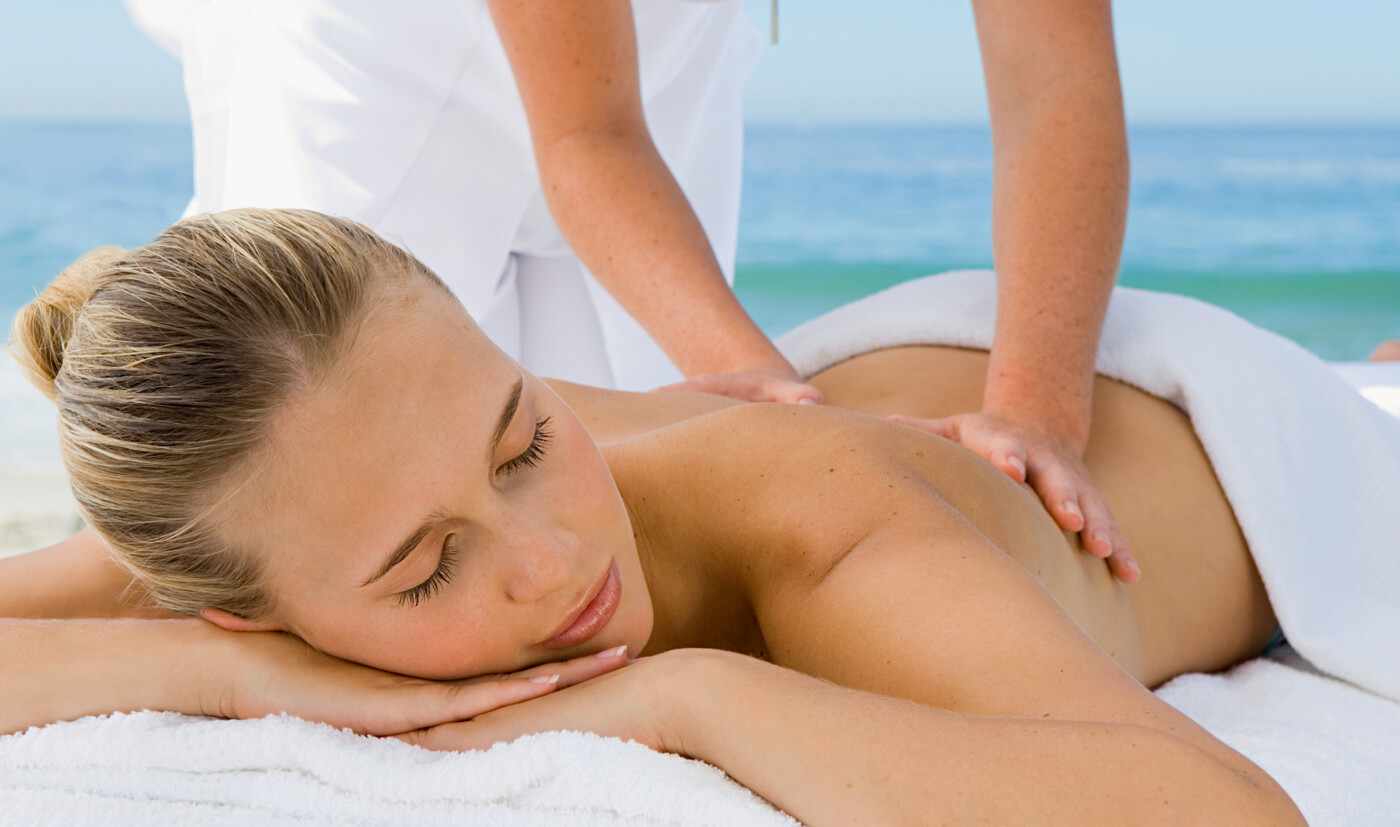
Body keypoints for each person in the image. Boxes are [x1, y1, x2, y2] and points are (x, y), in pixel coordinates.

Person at [2, 211, 1304, 824]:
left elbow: (1230, 814)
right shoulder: (333, 481)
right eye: (425, 571)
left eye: (527, 440)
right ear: (245, 600)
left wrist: (698, 695)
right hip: (873, 379)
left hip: (1237, 443)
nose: (554, 558)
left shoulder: (809, 523)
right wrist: (229, 671)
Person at [127, 0, 1138, 578]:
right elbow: (586, 135)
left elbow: (1053, 81)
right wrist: (779, 400)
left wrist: (1037, 410)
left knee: (629, 521)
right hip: (372, 41)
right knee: (323, 488)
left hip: (655, 50)